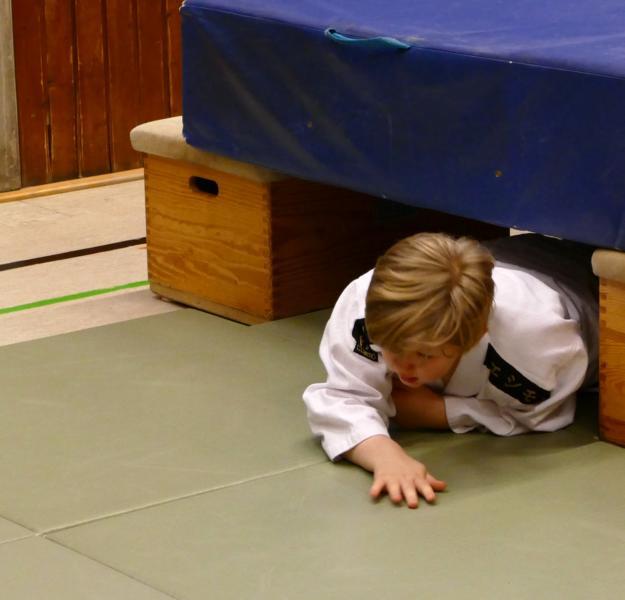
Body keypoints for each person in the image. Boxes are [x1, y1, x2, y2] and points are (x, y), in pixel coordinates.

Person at [303, 232, 598, 509]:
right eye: (390, 348)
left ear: (474, 335)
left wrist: (441, 413)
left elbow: (540, 413)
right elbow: (343, 396)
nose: (403, 366)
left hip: (584, 290)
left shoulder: (534, 346)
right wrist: (384, 455)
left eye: (424, 355)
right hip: (517, 254)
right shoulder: (368, 304)